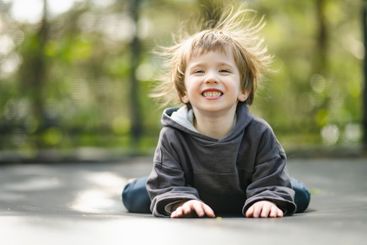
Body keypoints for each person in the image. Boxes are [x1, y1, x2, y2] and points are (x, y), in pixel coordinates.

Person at [122, 6, 310, 218]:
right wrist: (182, 202)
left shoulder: (259, 133)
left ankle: (281, 190)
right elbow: (168, 183)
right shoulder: (173, 135)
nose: (211, 78)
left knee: (299, 195)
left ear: (243, 89)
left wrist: (267, 199)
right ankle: (142, 183)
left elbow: (269, 179)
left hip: (245, 194)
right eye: (199, 71)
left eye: (224, 70)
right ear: (184, 91)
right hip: (185, 190)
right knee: (134, 196)